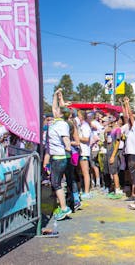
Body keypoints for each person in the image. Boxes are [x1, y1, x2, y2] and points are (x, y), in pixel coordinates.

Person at [47, 89, 72, 221]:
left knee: (56, 183)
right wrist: (56, 95)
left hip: (59, 158)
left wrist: (68, 146)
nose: (54, 111)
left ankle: (63, 208)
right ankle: (62, 207)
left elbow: (65, 138)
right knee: (56, 183)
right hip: (56, 157)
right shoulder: (57, 121)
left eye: (57, 111)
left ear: (61, 114)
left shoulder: (62, 124)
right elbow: (54, 106)